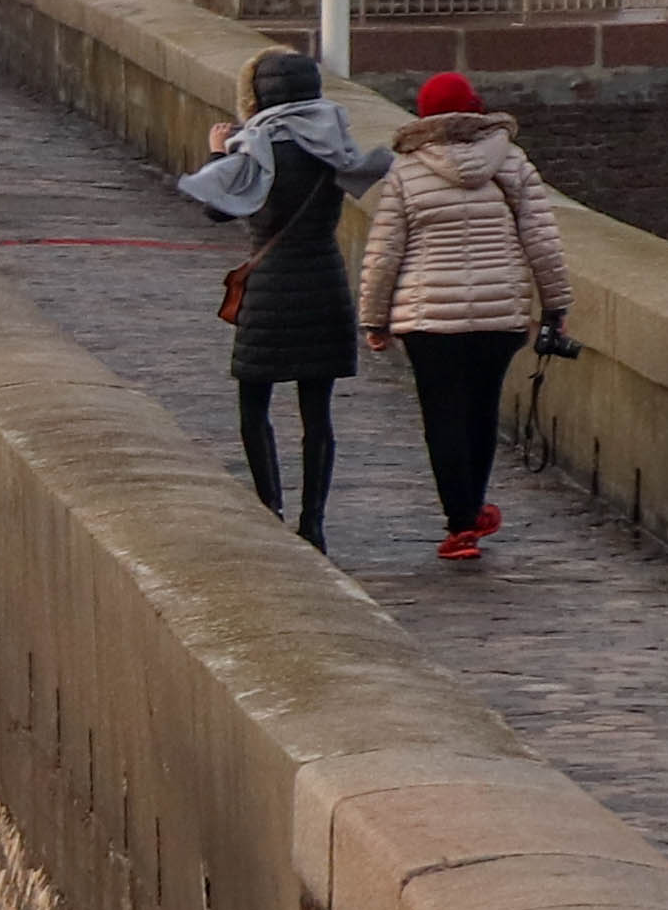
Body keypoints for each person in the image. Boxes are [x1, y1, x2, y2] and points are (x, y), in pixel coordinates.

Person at [353, 70, 575, 564]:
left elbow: (384, 253)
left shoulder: (407, 172)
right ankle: (472, 508)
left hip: (429, 318)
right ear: (476, 109)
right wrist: (556, 306)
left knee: (443, 415)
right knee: (481, 411)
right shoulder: (511, 162)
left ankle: (461, 523)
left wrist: (374, 319)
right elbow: (543, 241)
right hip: (500, 316)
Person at [171, 45, 386, 548]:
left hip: (269, 290)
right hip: (323, 282)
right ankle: (314, 522)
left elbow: (215, 209)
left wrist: (219, 152)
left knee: (254, 401)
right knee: (318, 415)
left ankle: (269, 506)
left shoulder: (255, 145)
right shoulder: (334, 144)